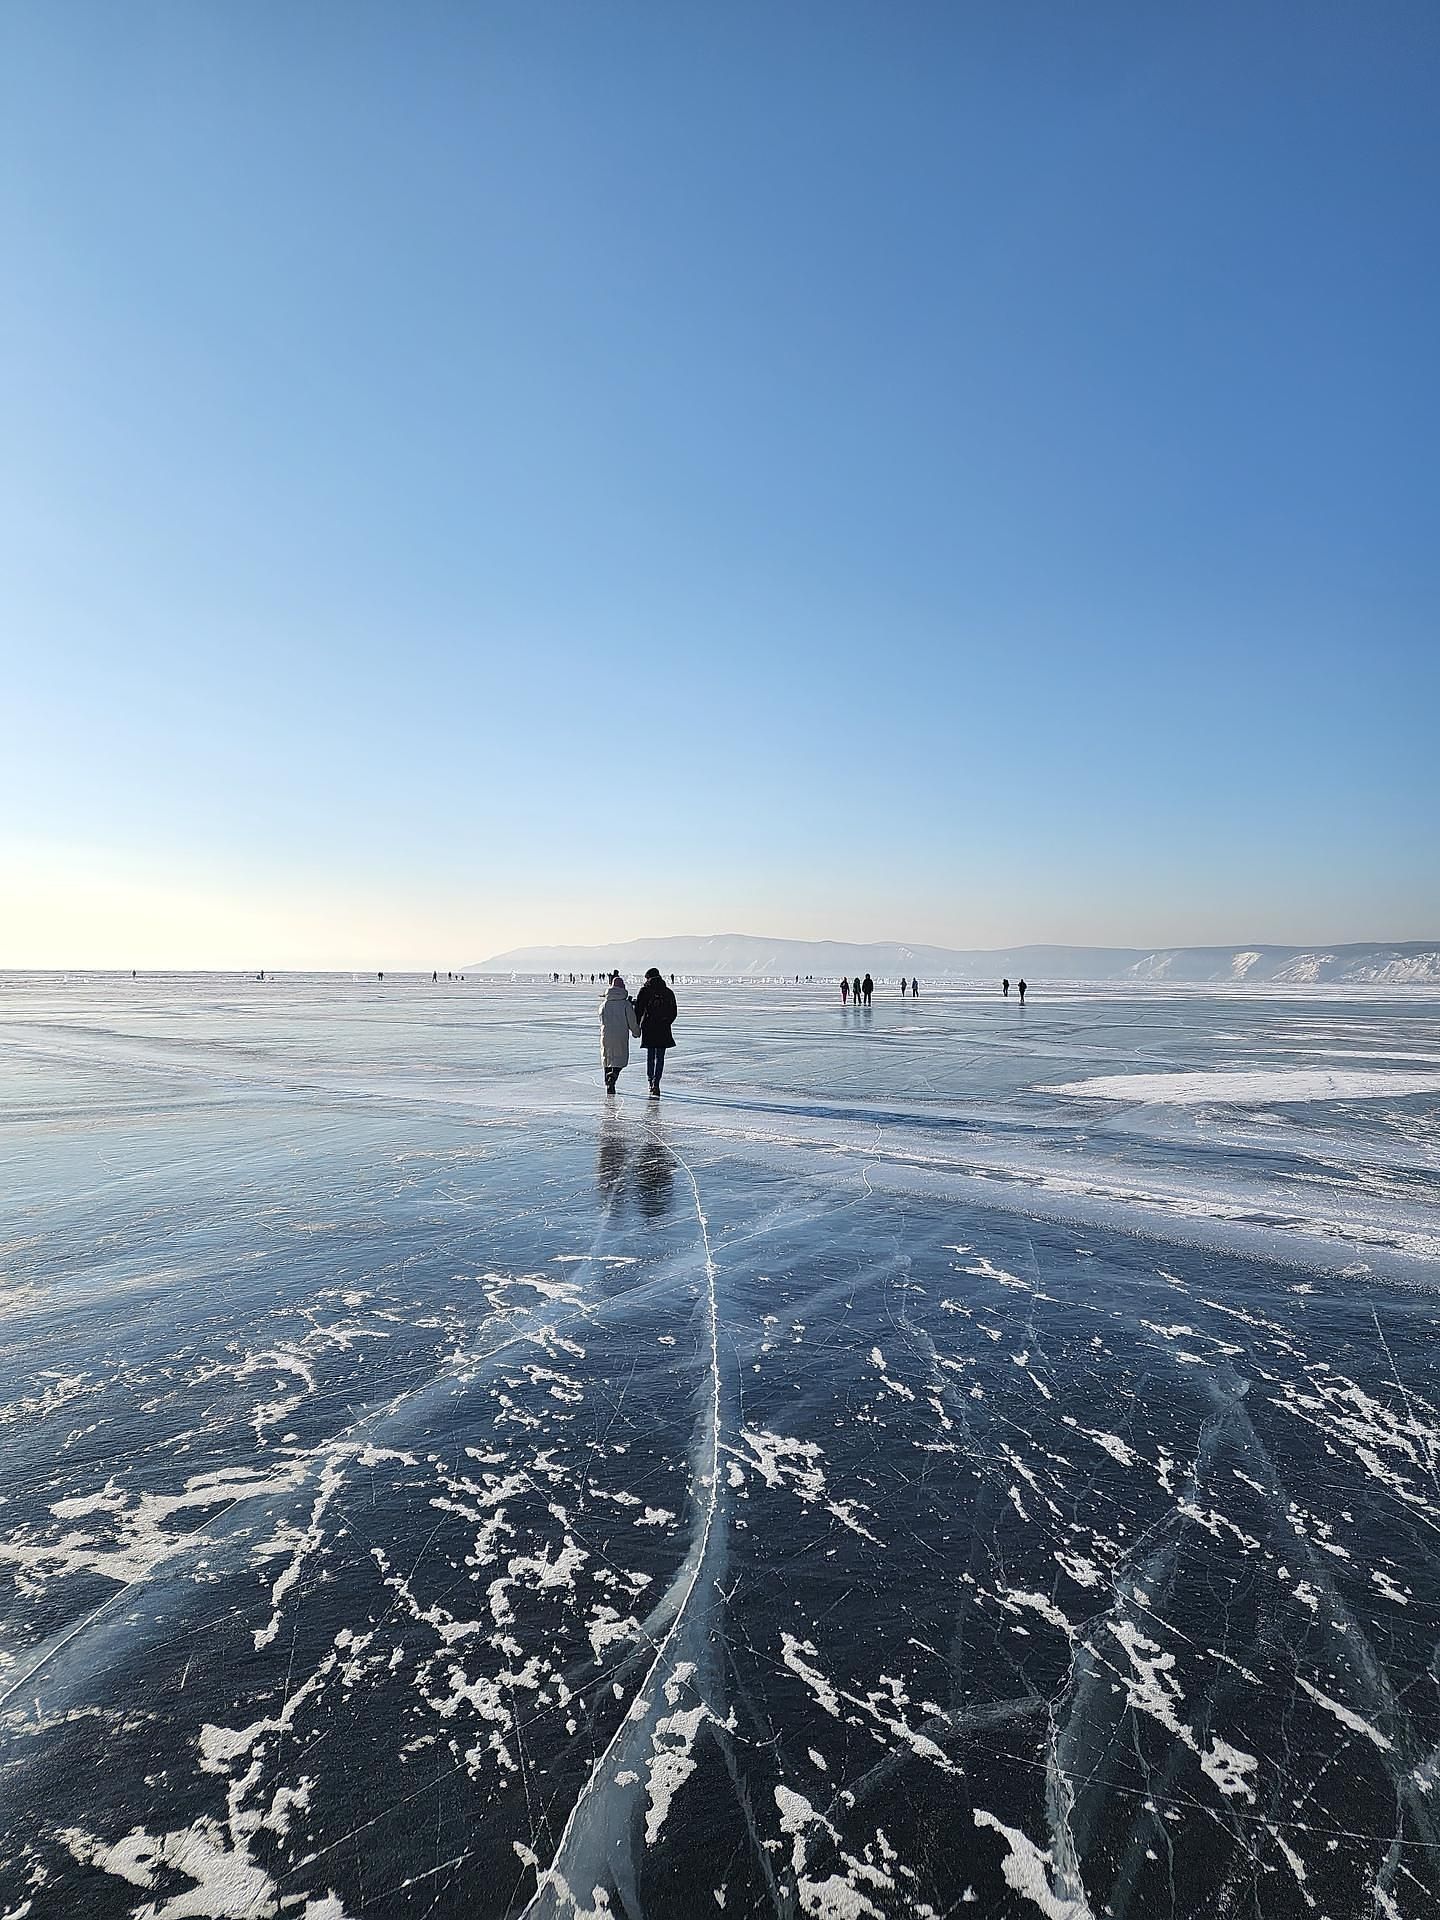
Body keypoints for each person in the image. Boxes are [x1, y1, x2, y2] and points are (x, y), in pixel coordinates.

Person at [634, 967, 678, 1097]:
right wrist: (666, 1022)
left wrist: (636, 1026)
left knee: (650, 1055)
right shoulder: (668, 992)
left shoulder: (645, 991)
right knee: (660, 1057)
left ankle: (650, 1082)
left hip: (649, 1027)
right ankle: (656, 1083)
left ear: (648, 978)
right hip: (663, 1028)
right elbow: (673, 1012)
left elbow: (638, 1010)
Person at [599, 974, 640, 1095]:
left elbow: (601, 1020)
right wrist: (636, 1032)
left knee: (607, 1059)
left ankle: (608, 1083)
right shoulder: (625, 1004)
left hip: (605, 1035)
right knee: (620, 1060)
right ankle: (613, 1076)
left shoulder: (604, 1004)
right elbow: (631, 1021)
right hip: (620, 1035)